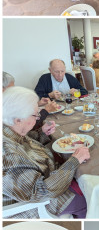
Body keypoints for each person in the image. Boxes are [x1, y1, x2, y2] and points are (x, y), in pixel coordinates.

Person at [3, 86, 89, 218]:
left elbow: (25, 143)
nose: (38, 118)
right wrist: (74, 160)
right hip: (35, 203)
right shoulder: (9, 155)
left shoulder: (9, 129)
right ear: (18, 120)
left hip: (44, 178)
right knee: (86, 201)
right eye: (35, 115)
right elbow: (41, 191)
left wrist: (41, 133)